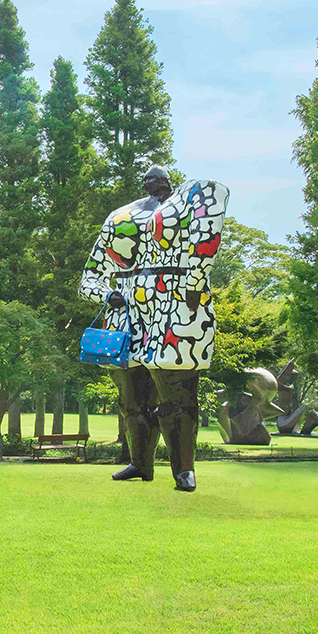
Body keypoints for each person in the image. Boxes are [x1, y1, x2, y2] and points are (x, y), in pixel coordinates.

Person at [79, 164, 230, 491]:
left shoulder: (185, 206)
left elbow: (207, 232)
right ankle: (140, 463)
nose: (153, 180)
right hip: (127, 317)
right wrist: (109, 294)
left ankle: (183, 469)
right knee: (131, 398)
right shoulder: (119, 218)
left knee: (178, 394)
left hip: (173, 312)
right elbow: (89, 277)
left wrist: (193, 283)